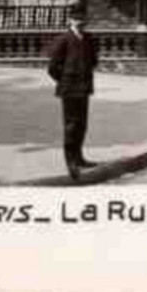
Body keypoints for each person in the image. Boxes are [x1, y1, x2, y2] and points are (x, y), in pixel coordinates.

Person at [47, 12, 98, 181]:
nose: (80, 22)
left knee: (82, 124)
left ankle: (79, 157)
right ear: (70, 20)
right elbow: (53, 67)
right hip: (69, 89)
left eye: (82, 18)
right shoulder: (63, 39)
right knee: (71, 125)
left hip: (84, 88)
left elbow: (93, 61)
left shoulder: (89, 39)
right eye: (76, 19)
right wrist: (64, 81)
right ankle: (71, 163)